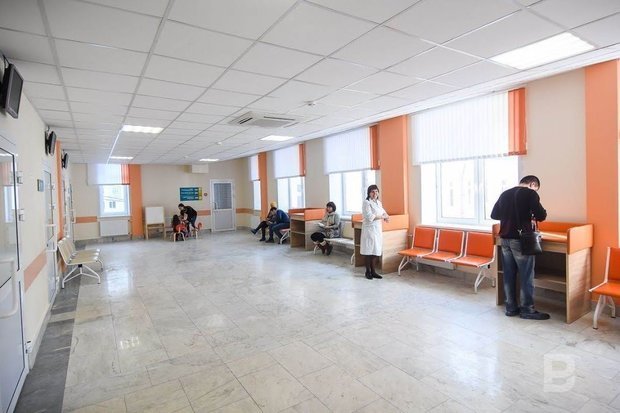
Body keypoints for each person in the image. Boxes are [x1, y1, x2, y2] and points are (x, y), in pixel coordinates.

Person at [491, 175, 548, 320]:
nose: (535, 190)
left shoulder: (505, 193)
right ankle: (527, 309)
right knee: (526, 275)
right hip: (521, 240)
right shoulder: (530, 193)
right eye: (536, 188)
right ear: (533, 184)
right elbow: (541, 215)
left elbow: (494, 214)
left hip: (504, 239)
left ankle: (510, 308)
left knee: (509, 274)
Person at [361, 185, 389, 280]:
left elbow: (383, 212)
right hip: (369, 230)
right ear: (369, 193)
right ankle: (367, 271)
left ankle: (373, 272)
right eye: (372, 192)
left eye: (376, 191)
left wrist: (386, 216)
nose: (375, 193)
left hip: (377, 230)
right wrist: (382, 217)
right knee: (368, 251)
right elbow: (370, 217)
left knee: (375, 251)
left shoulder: (378, 203)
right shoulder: (366, 202)